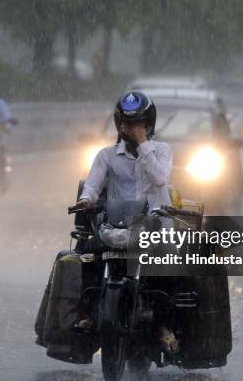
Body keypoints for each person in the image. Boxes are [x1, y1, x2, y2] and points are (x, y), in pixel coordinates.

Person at [73, 91, 179, 355]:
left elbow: (159, 179)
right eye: (127, 123)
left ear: (149, 123)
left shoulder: (162, 151)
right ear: (118, 124)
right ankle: (88, 314)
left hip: (153, 225)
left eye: (138, 123)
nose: (131, 128)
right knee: (84, 253)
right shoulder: (106, 155)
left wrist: (143, 143)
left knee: (169, 260)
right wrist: (86, 200)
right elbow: (92, 187)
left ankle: (164, 325)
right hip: (117, 226)